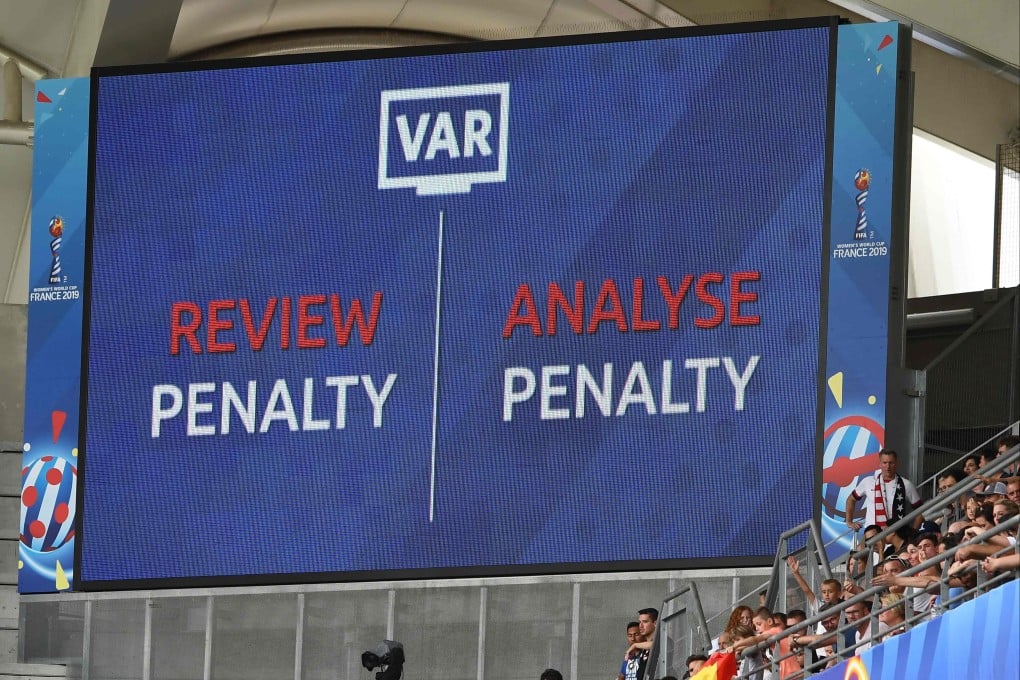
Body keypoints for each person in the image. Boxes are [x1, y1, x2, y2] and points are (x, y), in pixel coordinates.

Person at [845, 449, 923, 533]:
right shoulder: (868, 481)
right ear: (880, 464)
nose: (888, 466)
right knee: (860, 547)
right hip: (871, 534)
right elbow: (851, 499)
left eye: (891, 463)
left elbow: (921, 511)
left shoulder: (906, 484)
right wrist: (849, 521)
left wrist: (913, 533)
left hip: (896, 535)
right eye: (885, 463)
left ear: (896, 464)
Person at [623, 608, 658, 680]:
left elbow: (655, 644)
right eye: (640, 622)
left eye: (645, 622)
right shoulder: (643, 647)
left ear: (655, 623)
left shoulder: (663, 640)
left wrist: (634, 645)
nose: (640, 626)